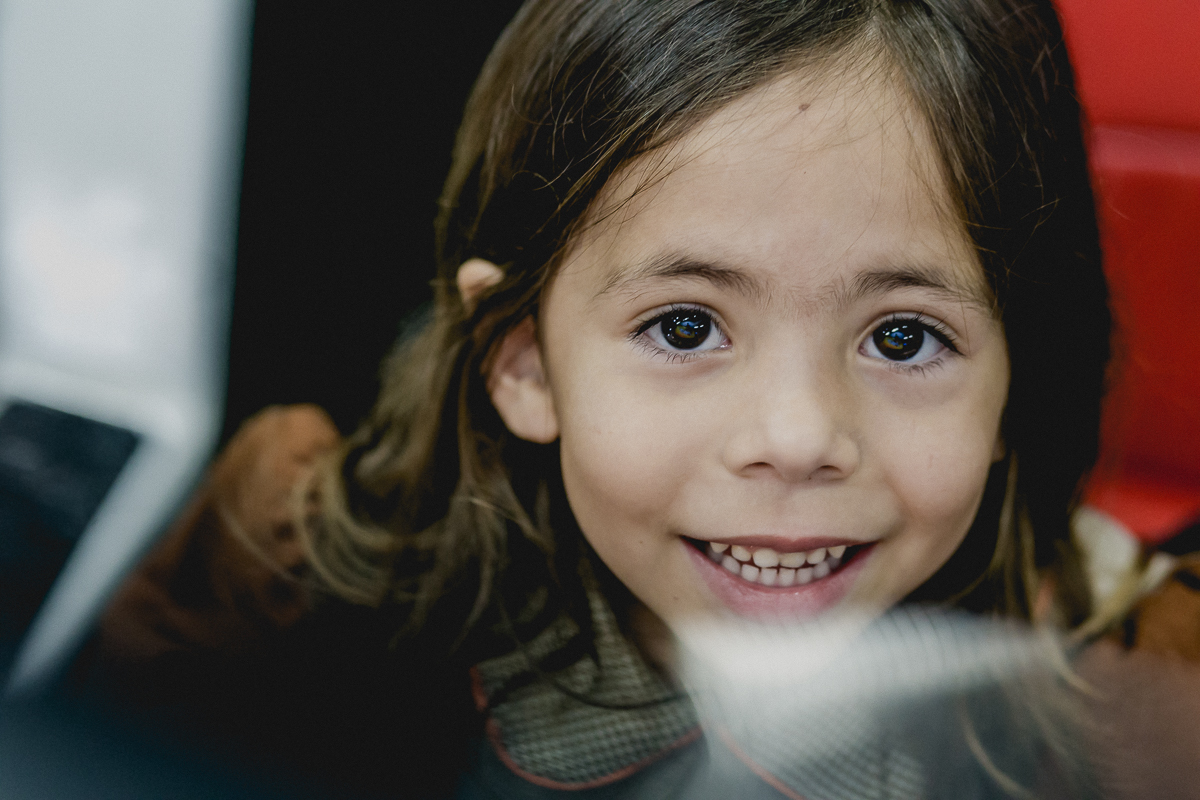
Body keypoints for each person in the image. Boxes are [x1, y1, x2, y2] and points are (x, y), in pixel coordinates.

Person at [87, 0, 1200, 797]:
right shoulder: (289, 573)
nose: (798, 437)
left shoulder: (1131, 711)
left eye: (904, 338)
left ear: (1017, 386)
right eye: (684, 327)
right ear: (522, 361)